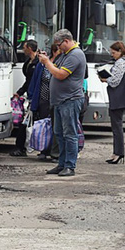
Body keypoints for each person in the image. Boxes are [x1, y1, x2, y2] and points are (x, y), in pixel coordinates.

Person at [36, 29, 86, 177]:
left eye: (59, 44)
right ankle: (62, 163)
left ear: (66, 41)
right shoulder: (64, 54)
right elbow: (54, 68)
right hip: (60, 100)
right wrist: (46, 61)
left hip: (70, 99)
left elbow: (60, 74)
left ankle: (70, 165)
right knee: (59, 133)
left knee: (69, 133)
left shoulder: (76, 55)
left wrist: (46, 63)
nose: (58, 47)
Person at [100, 41, 125, 164]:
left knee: (116, 126)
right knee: (117, 125)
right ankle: (117, 152)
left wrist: (105, 79)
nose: (112, 55)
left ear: (120, 51)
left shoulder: (121, 62)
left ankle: (118, 153)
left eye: (113, 52)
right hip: (123, 96)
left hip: (119, 97)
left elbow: (115, 80)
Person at [10, 40, 39, 157]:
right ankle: (22, 147)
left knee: (26, 123)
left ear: (30, 48)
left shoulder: (37, 63)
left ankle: (21, 147)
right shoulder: (29, 62)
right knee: (26, 122)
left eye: (24, 47)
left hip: (35, 96)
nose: (23, 50)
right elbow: (28, 81)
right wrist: (20, 92)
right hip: (29, 94)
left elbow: (32, 81)